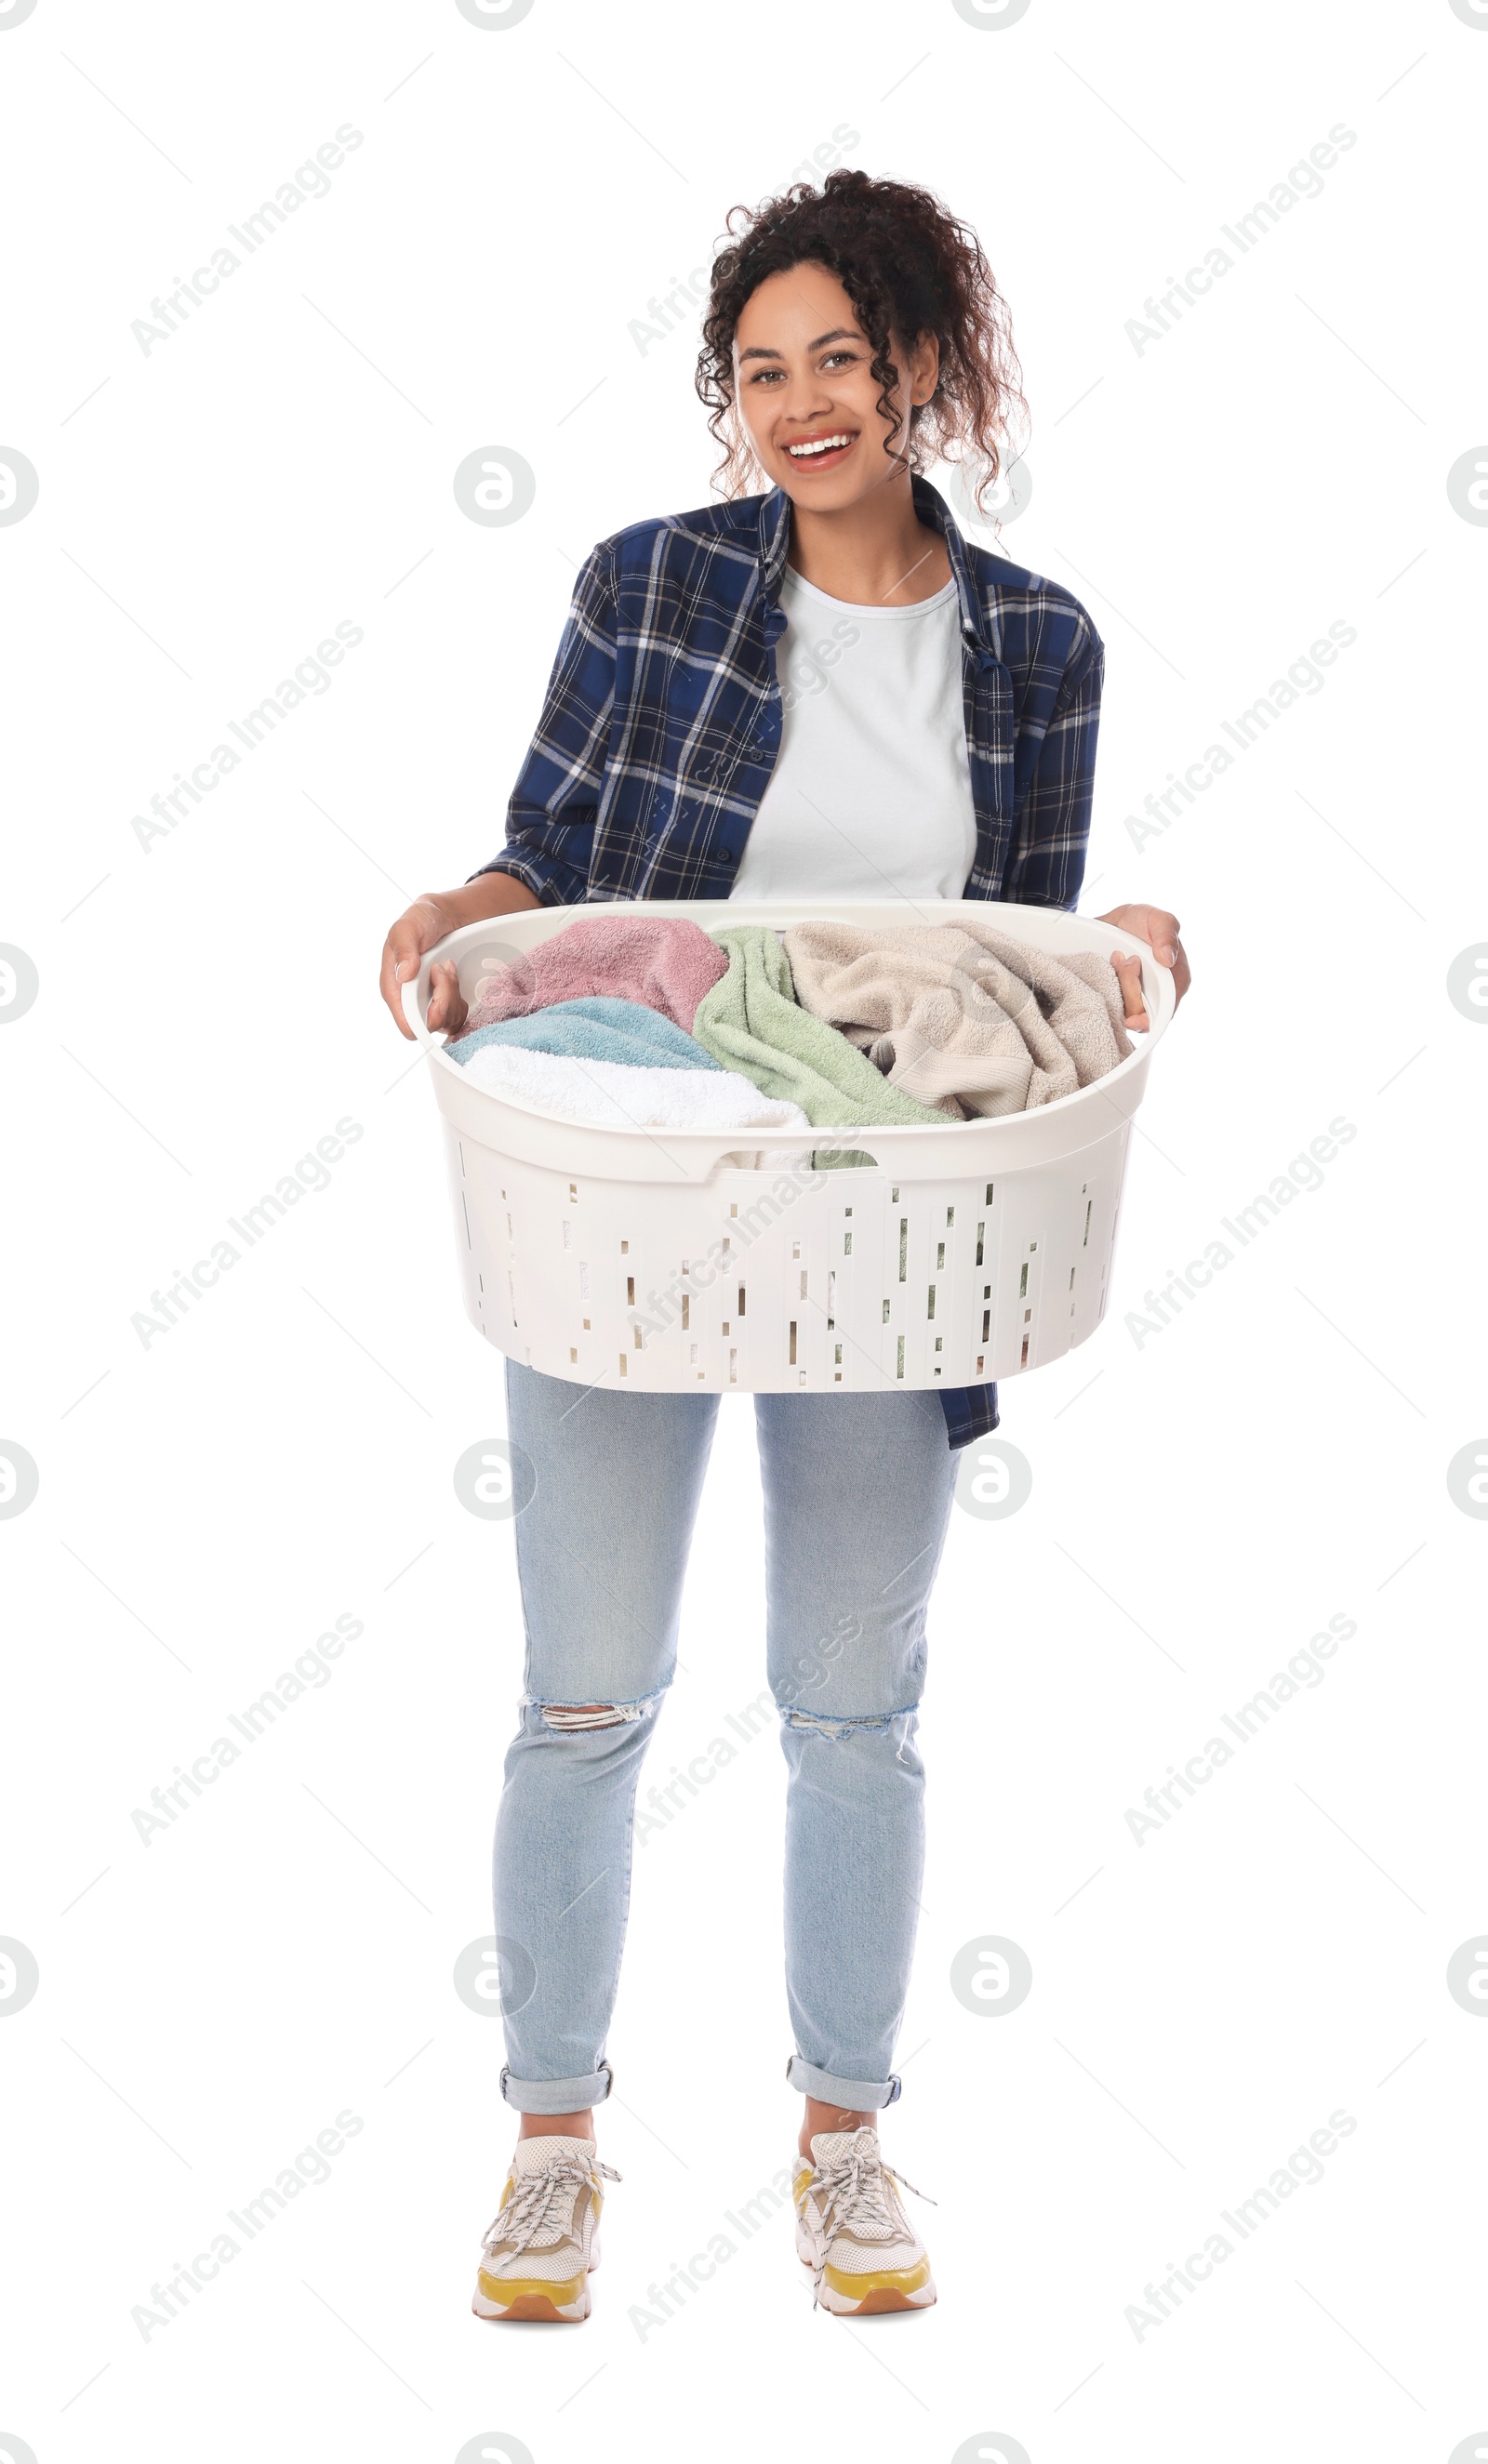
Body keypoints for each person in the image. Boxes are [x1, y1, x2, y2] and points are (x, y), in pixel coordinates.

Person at [380, 168, 1190, 2325]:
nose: (802, 401)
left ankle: (844, 2140)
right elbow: (548, 845)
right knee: (581, 1692)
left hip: (882, 1224)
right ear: (727, 401)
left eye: (842, 356)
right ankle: (550, 2142)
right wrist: (466, 916)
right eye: (761, 368)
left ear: (925, 366)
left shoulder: (1036, 638)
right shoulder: (647, 582)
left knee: (854, 1707)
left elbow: (1009, 966)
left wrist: (1116, 952)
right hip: (630, 1183)